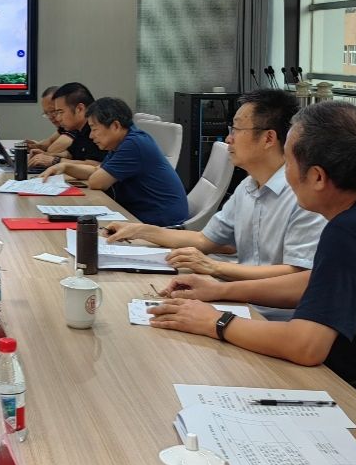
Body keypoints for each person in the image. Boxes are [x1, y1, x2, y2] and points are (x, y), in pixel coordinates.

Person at [149, 102, 356, 417]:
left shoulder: (351, 230)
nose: (285, 172)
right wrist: (220, 290)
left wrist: (215, 321)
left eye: (289, 160)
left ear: (317, 177)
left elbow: (306, 346)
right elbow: (320, 282)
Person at [104, 90, 325, 316]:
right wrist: (140, 230)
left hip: (272, 316)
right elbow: (205, 239)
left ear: (268, 138)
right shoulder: (248, 187)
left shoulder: (301, 196)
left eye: (236, 130)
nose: (228, 139)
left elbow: (297, 274)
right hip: (238, 301)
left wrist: (214, 267)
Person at [42, 96, 189, 226]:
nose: (91, 136)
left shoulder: (133, 144)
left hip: (159, 222)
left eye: (94, 129)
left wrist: (71, 167)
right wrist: (65, 166)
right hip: (142, 215)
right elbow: (98, 170)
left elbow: (97, 182)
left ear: (115, 126)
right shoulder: (124, 140)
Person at [29, 82, 106, 168]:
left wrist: (55, 160)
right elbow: (70, 154)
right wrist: (47, 156)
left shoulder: (97, 129)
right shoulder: (79, 128)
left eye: (60, 112)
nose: (58, 118)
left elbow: (97, 165)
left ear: (80, 109)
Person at [25, 86, 71, 157]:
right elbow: (49, 142)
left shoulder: (75, 127)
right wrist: (35, 145)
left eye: (53, 111)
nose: (50, 117)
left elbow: (52, 150)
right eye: (46, 113)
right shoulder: (64, 127)